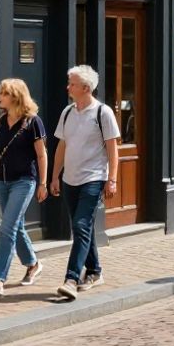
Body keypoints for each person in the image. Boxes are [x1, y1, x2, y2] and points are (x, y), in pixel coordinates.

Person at [50, 65, 121, 301]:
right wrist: (54, 176)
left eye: (71, 83)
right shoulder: (68, 112)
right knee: (84, 227)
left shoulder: (103, 113)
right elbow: (62, 145)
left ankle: (71, 278)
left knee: (80, 225)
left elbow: (113, 149)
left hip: (93, 177)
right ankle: (94, 271)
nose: (67, 87)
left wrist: (112, 179)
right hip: (70, 179)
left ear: (85, 88)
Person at [0, 79, 48, 297]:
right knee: (14, 226)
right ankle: (33, 263)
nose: (0, 96)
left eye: (4, 93)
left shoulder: (33, 122)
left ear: (16, 96)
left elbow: (41, 154)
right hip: (1, 181)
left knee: (7, 227)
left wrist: (43, 183)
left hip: (24, 181)